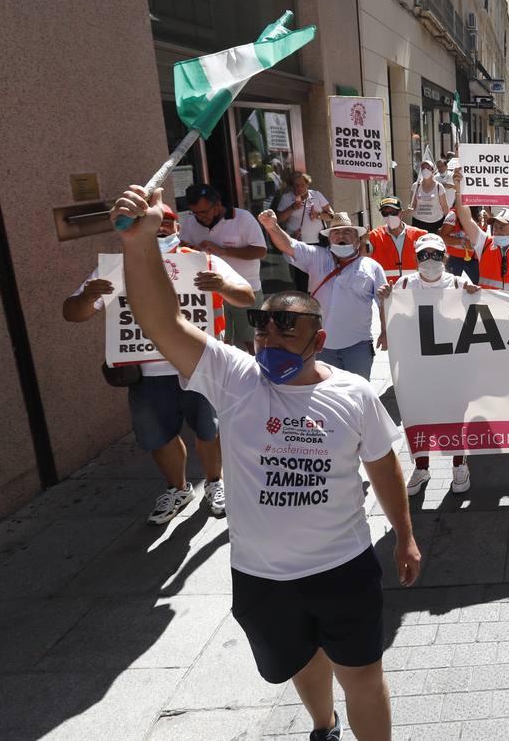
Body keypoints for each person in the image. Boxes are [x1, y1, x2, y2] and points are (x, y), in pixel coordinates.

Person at [111, 184, 421, 741]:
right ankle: (322, 726)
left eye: (287, 327)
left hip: (343, 570)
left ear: (316, 339)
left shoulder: (353, 394)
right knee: (302, 665)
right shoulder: (233, 377)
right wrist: (139, 245)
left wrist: (404, 535)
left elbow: (382, 465)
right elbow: (162, 324)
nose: (270, 335)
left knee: (364, 675)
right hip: (262, 579)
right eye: (264, 326)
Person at [64, 204, 254, 524]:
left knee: (209, 430)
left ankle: (214, 482)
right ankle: (178, 488)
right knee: (158, 437)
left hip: (199, 366)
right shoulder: (116, 269)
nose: (159, 230)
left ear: (177, 228)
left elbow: (246, 296)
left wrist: (222, 286)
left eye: (166, 224)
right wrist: (87, 298)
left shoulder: (202, 261)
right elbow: (72, 312)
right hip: (146, 373)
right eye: (152, 224)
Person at [378, 233, 477, 497]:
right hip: (418, 366)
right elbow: (394, 318)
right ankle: (422, 466)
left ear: (444, 257)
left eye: (435, 255)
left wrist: (473, 294)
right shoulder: (404, 284)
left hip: (453, 365)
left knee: (456, 416)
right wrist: (385, 299)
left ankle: (459, 464)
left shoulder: (458, 282)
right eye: (423, 255)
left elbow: (476, 314)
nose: (429, 260)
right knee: (419, 415)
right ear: (416, 258)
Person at [259, 210, 386, 382]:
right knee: (326, 392)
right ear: (329, 238)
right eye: (336, 232)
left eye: (347, 232)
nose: (341, 235)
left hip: (358, 346)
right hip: (321, 346)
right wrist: (272, 226)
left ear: (357, 240)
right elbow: (289, 245)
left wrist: (385, 331)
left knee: (359, 393)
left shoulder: (372, 267)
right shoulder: (316, 256)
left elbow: (383, 303)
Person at [181, 184, 267, 352]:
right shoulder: (190, 223)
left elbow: (260, 250)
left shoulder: (242, 218)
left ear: (218, 205)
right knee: (221, 343)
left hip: (245, 289)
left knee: (254, 341)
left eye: (204, 212)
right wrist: (193, 250)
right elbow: (182, 249)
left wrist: (223, 251)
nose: (200, 217)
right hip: (212, 292)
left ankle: (263, 375)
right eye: (195, 212)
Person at [275, 173, 332, 291]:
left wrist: (318, 215)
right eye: (295, 185)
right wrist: (292, 208)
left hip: (318, 243)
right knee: (301, 281)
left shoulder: (316, 195)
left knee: (319, 278)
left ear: (307, 184)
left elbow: (332, 216)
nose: (298, 188)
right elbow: (278, 218)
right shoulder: (287, 198)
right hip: (298, 244)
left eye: (301, 185)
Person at [365, 196, 427, 286]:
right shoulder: (374, 236)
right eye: (385, 213)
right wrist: (364, 241)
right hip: (386, 290)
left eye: (393, 212)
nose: (389, 216)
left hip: (414, 288)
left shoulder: (420, 235)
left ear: (401, 213)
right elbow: (365, 262)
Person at [407, 159, 453, 233]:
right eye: (423, 168)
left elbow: (444, 206)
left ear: (432, 170)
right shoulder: (416, 186)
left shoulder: (439, 186)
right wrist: (410, 209)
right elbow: (413, 204)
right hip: (419, 222)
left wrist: (449, 223)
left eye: (428, 168)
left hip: (436, 222)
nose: (425, 170)